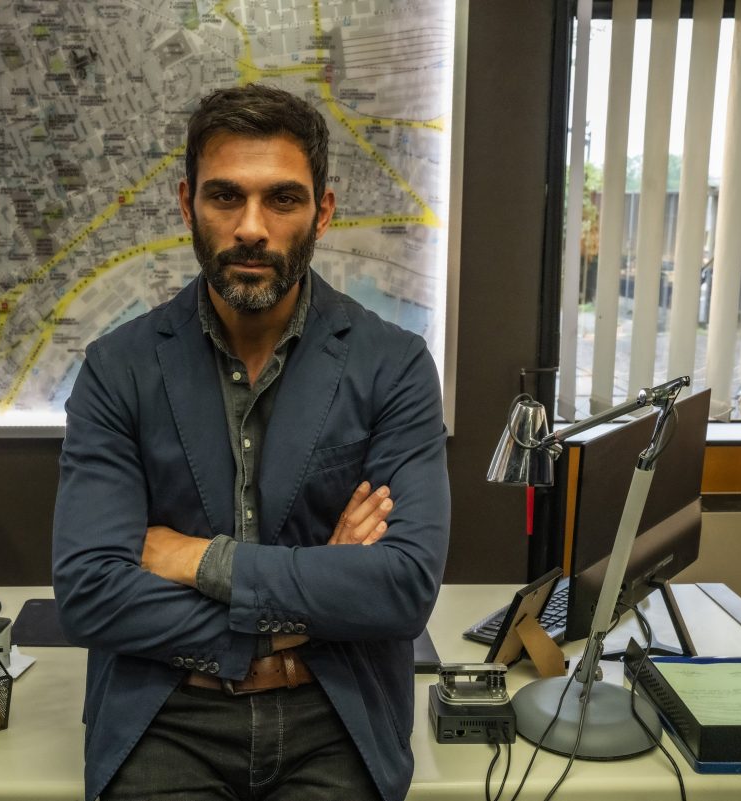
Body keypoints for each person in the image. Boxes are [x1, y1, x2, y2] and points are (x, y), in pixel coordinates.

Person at [53, 83, 450, 801]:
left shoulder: (394, 365)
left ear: (322, 212)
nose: (251, 227)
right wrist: (313, 601)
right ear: (188, 205)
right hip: (165, 715)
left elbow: (401, 588)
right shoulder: (118, 368)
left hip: (336, 714)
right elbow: (90, 593)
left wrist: (196, 558)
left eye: (283, 199)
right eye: (225, 196)